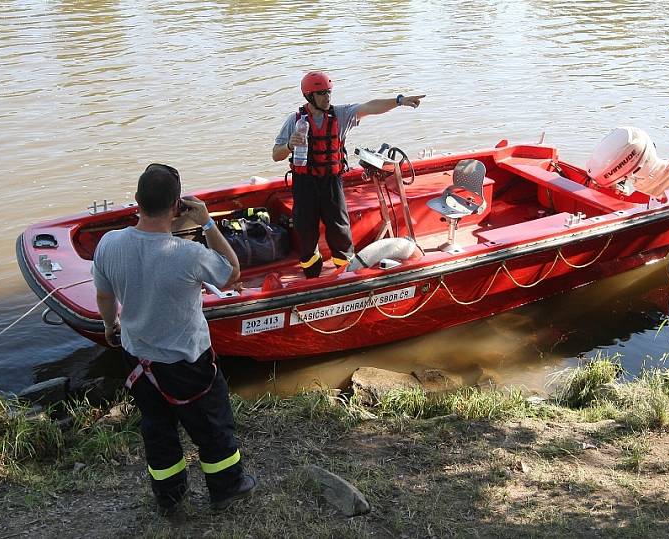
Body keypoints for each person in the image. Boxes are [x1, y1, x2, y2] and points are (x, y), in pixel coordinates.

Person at [92, 163, 256, 517]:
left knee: (158, 430)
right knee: (212, 428)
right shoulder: (188, 255)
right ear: (176, 208)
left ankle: (170, 500)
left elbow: (105, 297)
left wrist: (110, 326)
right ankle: (227, 488)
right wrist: (208, 223)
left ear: (136, 200)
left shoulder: (108, 244)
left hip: (139, 362)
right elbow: (231, 273)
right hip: (187, 363)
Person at [272, 71, 424, 278]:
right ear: (309, 96)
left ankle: (345, 275)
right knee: (306, 234)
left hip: (331, 184)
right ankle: (312, 277)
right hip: (304, 185)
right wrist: (290, 145)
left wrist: (399, 101)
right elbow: (276, 154)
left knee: (341, 234)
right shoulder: (295, 121)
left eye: (329, 92)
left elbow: (369, 107)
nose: (327, 97)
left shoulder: (341, 116)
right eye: (322, 93)